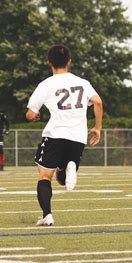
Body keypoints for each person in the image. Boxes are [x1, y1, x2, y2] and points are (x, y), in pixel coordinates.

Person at [26, 43, 103, 227]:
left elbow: (30, 113)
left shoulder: (46, 84)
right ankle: (71, 165)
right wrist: (97, 127)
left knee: (45, 177)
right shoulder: (83, 83)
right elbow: (97, 102)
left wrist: (34, 116)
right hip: (78, 136)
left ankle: (47, 215)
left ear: (49, 62)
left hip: (55, 134)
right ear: (69, 61)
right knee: (64, 173)